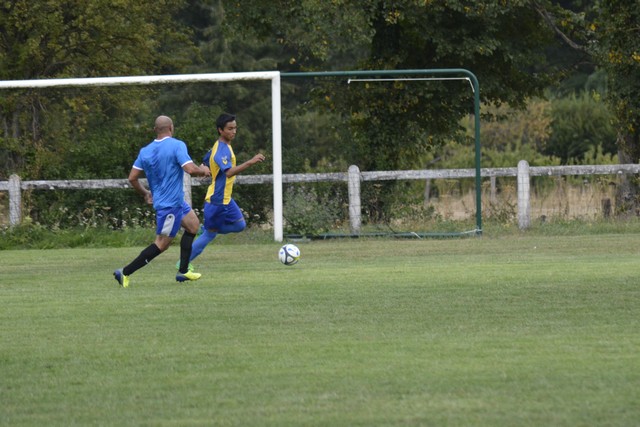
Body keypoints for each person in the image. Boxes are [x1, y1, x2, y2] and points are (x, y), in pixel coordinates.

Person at [113, 115, 210, 288]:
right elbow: (190, 169)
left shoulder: (145, 151)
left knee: (193, 226)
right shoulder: (177, 145)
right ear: (171, 128)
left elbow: (132, 178)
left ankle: (183, 271)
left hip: (176, 202)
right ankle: (125, 272)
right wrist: (203, 170)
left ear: (155, 130)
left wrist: (145, 193)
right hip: (169, 206)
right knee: (161, 244)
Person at [184, 113, 265, 267]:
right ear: (220, 130)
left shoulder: (222, 145)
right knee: (209, 235)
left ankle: (206, 228)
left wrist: (204, 166)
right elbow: (228, 172)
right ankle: (184, 264)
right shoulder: (221, 149)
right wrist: (251, 162)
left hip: (226, 197)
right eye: (230, 129)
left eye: (235, 128)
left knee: (239, 225)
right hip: (217, 198)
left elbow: (207, 159)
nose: (233, 131)